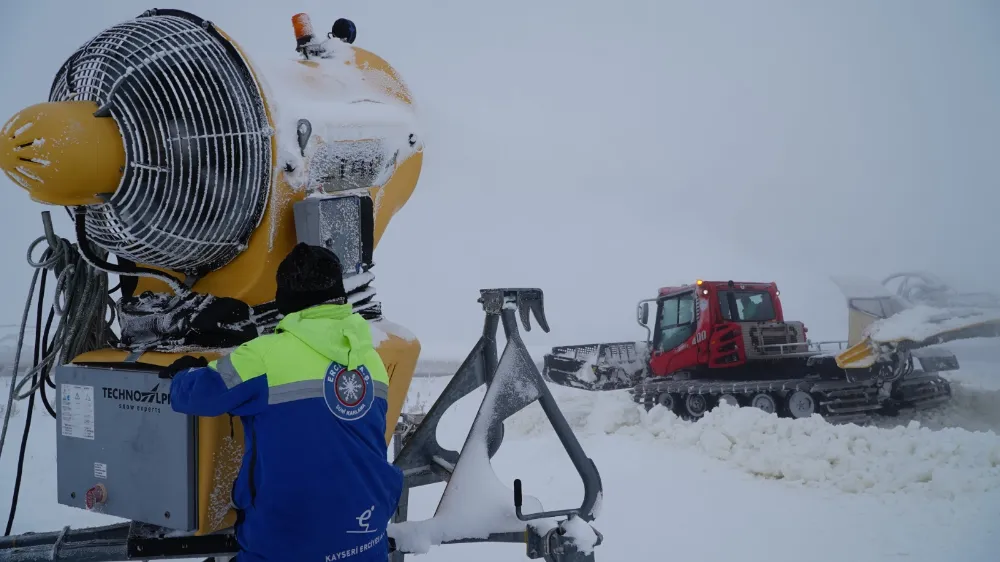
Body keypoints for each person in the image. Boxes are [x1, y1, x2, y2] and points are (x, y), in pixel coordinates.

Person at [159, 243, 404, 562]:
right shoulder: (369, 358)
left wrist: (185, 373)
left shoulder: (264, 356)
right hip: (367, 537)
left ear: (285, 298)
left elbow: (195, 396)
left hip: (288, 541)